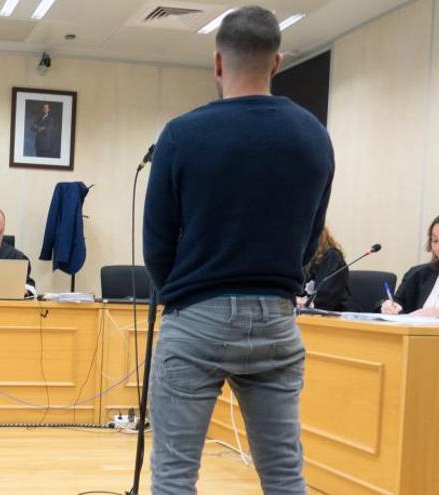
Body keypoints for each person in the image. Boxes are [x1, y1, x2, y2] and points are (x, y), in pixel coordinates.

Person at [143, 6, 334, 494]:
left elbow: (157, 245)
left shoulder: (182, 134)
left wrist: (189, 300)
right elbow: (310, 240)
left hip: (196, 318)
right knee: (285, 476)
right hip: (276, 321)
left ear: (217, 64)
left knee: (175, 478)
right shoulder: (314, 136)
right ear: (277, 62)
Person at [381, 214, 439, 317]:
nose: (438, 247)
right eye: (435, 241)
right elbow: (398, 305)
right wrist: (388, 307)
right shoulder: (419, 274)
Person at [298, 227, 353, 311]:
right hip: (304, 316)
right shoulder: (304, 260)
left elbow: (325, 298)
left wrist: (300, 302)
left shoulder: (332, 256)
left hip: (335, 318)